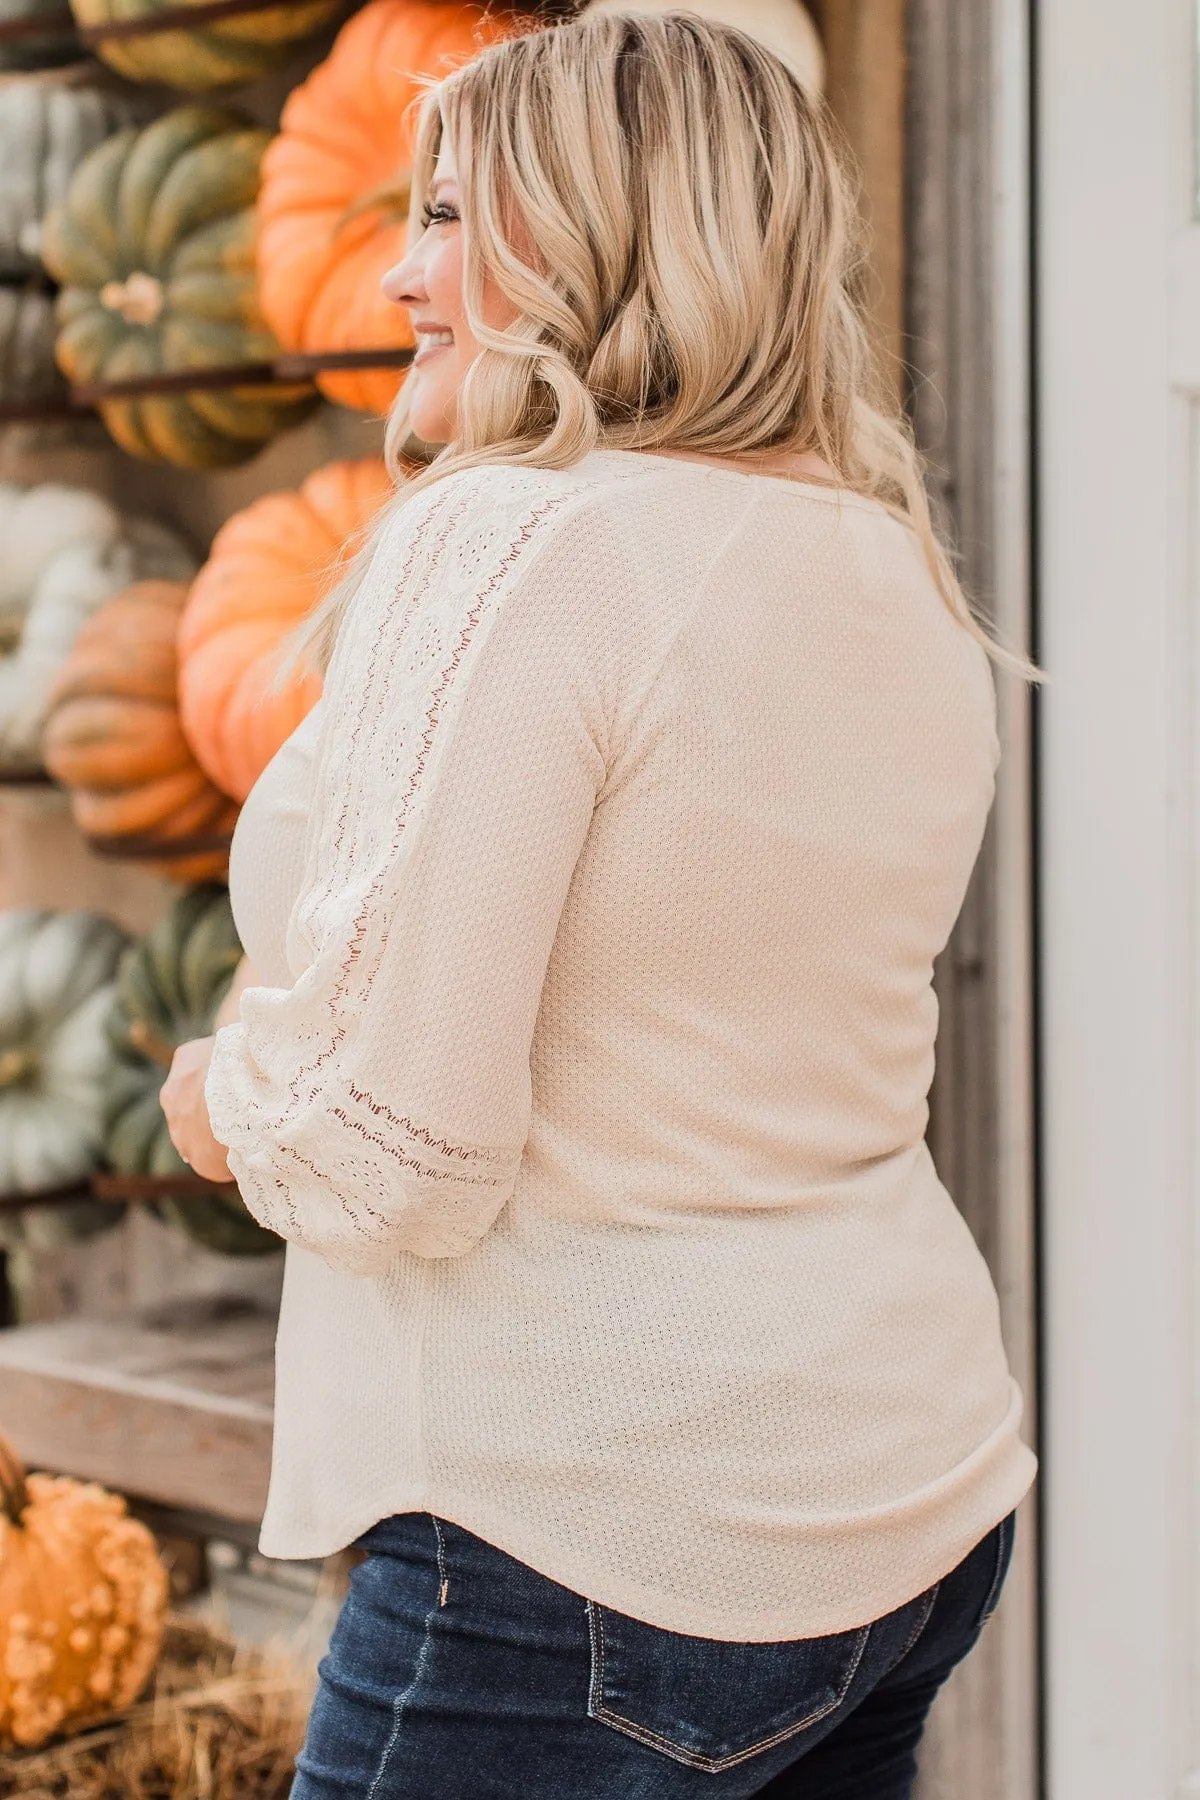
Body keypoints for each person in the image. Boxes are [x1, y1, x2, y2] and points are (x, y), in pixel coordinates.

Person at [161, 13, 1040, 1797]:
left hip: (589, 1548)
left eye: (453, 216)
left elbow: (400, 1147)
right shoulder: (892, 558)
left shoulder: (524, 542)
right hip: (910, 1498)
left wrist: (220, 1105)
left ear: (591, 236)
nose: (400, 270)